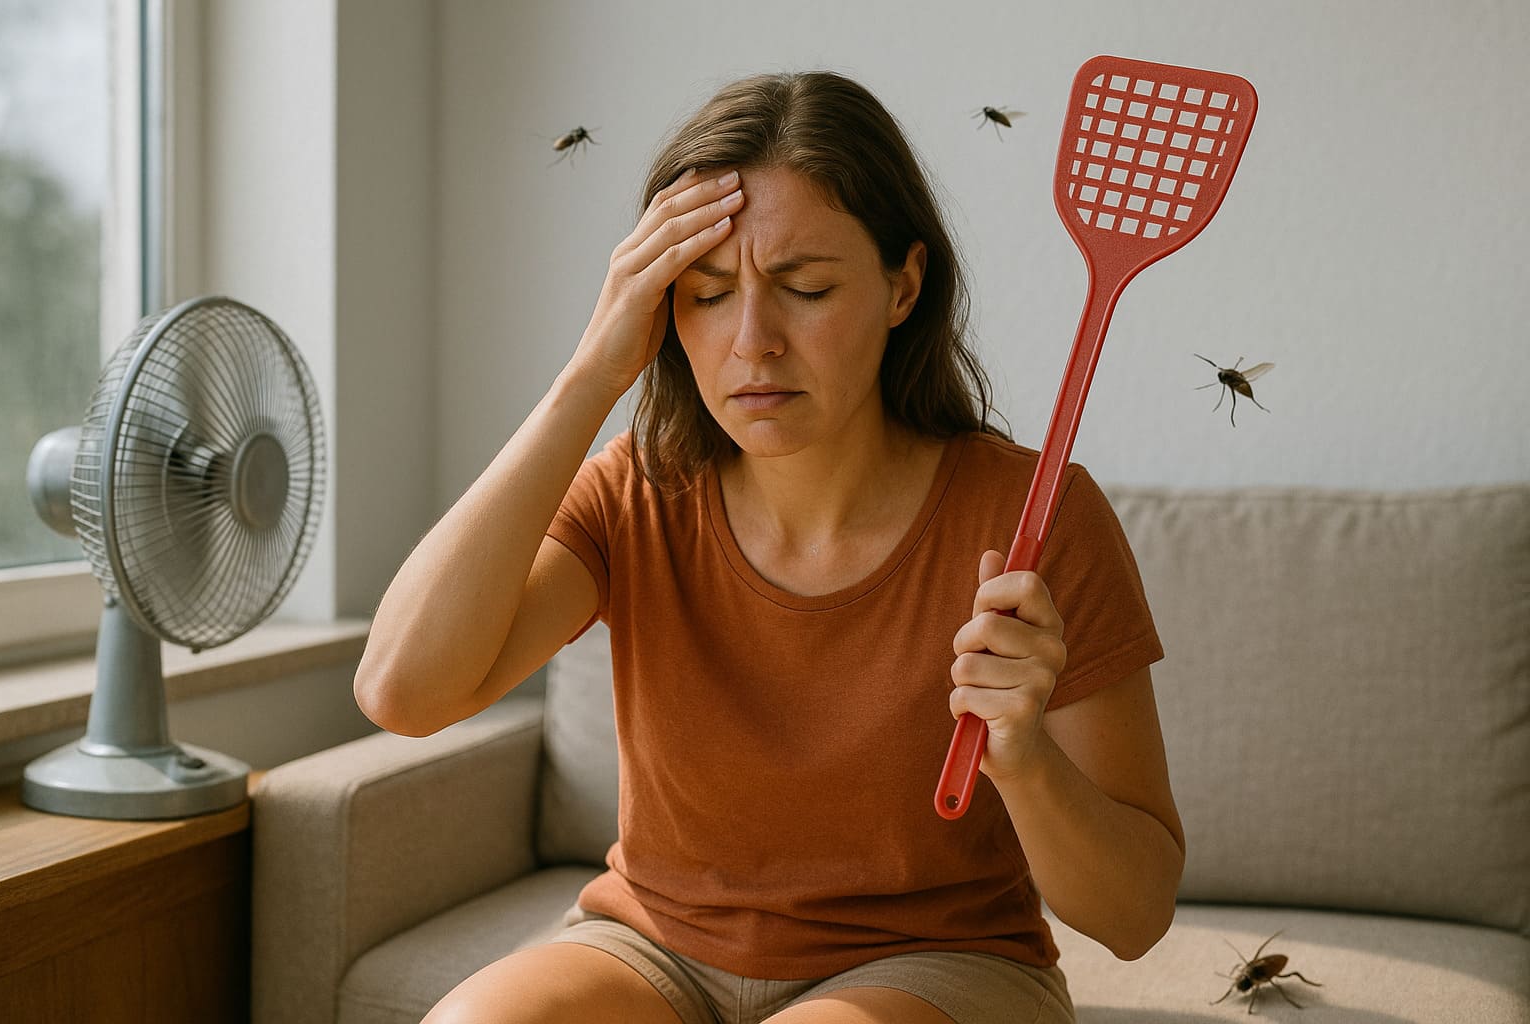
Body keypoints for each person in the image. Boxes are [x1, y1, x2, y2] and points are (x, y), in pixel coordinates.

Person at [355, 70, 1184, 1024]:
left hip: (940, 966)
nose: (753, 341)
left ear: (903, 285)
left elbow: (1135, 913)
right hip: (657, 949)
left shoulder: (1037, 517)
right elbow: (400, 693)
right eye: (706, 295)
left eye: (807, 287)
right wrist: (592, 372)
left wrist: (1026, 756)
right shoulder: (638, 493)